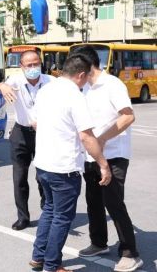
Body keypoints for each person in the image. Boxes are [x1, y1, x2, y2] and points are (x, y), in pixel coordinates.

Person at [29, 54, 112, 272]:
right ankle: (52, 265)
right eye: (87, 78)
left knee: (49, 209)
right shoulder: (75, 96)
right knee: (62, 217)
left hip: (43, 163)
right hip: (63, 167)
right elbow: (86, 136)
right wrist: (103, 164)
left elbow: (35, 122)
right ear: (81, 75)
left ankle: (38, 257)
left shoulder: (46, 89)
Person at [71, 45, 143, 272]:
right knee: (93, 201)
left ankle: (130, 253)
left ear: (85, 64)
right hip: (91, 156)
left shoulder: (112, 84)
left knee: (113, 202)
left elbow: (128, 116)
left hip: (114, 154)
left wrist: (101, 139)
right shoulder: (84, 88)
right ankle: (99, 242)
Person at [0, 50, 52, 230]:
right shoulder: (16, 80)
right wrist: (2, 87)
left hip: (44, 134)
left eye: (36, 64)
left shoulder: (51, 82)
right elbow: (1, 85)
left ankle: (48, 209)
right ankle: (23, 217)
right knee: (19, 177)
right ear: (21, 67)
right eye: (29, 65)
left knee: (43, 176)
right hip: (21, 133)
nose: (33, 68)